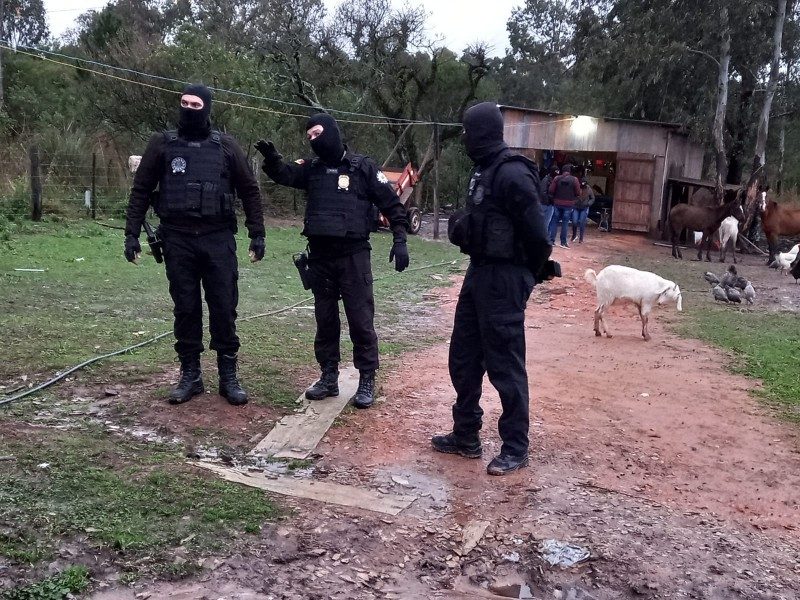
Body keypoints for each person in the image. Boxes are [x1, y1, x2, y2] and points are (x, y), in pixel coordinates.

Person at [124, 83, 266, 406]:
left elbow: (249, 190)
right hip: (178, 239)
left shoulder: (226, 146)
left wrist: (257, 233)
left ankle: (228, 376)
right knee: (185, 308)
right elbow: (141, 190)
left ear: (207, 108)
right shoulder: (162, 144)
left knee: (223, 306)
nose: (189, 108)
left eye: (195, 103)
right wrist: (131, 234)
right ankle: (191, 375)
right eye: (184, 102)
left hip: (218, 238)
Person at [256, 113, 409, 409]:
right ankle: (328, 377)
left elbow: (391, 203)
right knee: (325, 321)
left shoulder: (362, 167)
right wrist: (273, 159)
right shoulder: (312, 169)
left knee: (361, 321)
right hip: (321, 257)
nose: (314, 140)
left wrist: (400, 239)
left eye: (318, 133)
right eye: (309, 136)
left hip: (353, 256)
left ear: (333, 133)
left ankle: (366, 380)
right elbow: (286, 175)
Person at [435, 102, 553, 476]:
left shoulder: (513, 174)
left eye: (469, 131)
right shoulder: (483, 170)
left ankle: (516, 446)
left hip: (504, 278)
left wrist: (527, 276)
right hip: (479, 273)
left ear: (483, 131)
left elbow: (538, 237)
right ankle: (466, 435)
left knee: (505, 365)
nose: (465, 138)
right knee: (463, 357)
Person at [548, 163, 580, 248]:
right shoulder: (574, 179)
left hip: (557, 203)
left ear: (562, 171)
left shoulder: (557, 178)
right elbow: (578, 192)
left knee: (554, 221)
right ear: (570, 171)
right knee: (565, 223)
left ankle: (551, 240)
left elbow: (551, 190)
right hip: (569, 204)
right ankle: (563, 242)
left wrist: (554, 198)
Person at [572, 177, 595, 243]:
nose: (583, 183)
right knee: (574, 222)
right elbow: (573, 195)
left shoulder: (589, 189)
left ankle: (581, 238)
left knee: (582, 223)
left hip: (584, 208)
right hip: (576, 207)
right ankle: (574, 235)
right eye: (582, 182)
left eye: (584, 182)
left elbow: (592, 198)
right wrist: (574, 202)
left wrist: (588, 204)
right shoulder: (577, 187)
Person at [539, 164, 558, 243]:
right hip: (546, 204)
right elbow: (543, 192)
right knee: (545, 223)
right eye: (556, 171)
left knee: (548, 222)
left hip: (549, 204)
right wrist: (550, 200)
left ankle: (546, 239)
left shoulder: (552, 180)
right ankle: (543, 240)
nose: (557, 172)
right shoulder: (546, 180)